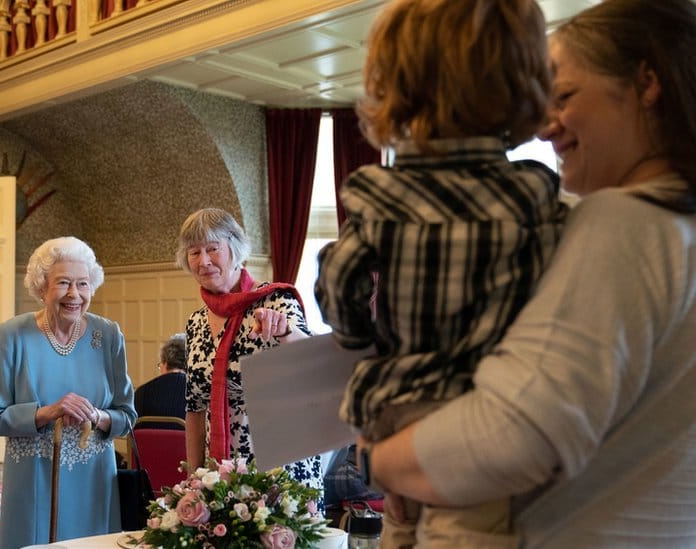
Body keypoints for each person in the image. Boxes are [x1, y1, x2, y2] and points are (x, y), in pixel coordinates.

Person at [370, 0, 696, 547]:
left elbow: (509, 441)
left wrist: (378, 458)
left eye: (565, 97)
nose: (545, 126)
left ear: (647, 82)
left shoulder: (624, 223)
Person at [314, 0, 566, 545]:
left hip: (393, 401)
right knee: (474, 531)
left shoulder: (377, 192)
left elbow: (339, 284)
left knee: (398, 522)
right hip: (484, 409)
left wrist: (359, 337)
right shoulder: (532, 193)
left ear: (394, 85)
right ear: (525, 81)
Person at [0, 236, 137, 548]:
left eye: (82, 284)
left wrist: (96, 415)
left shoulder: (107, 335)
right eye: (63, 283)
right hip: (33, 480)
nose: (74, 294)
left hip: (94, 480)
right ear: (42, 288)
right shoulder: (13, 335)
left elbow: (127, 415)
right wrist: (47, 412)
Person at [177, 208, 323, 496]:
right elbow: (195, 407)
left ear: (235, 247)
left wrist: (283, 331)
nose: (204, 261)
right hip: (220, 472)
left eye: (212, 249)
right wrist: (195, 480)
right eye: (194, 252)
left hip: (280, 463)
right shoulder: (196, 322)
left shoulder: (275, 300)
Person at [133, 333, 187, 429]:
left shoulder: (142, 392)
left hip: (148, 444)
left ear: (165, 362)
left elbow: (134, 434)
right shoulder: (196, 393)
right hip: (184, 444)